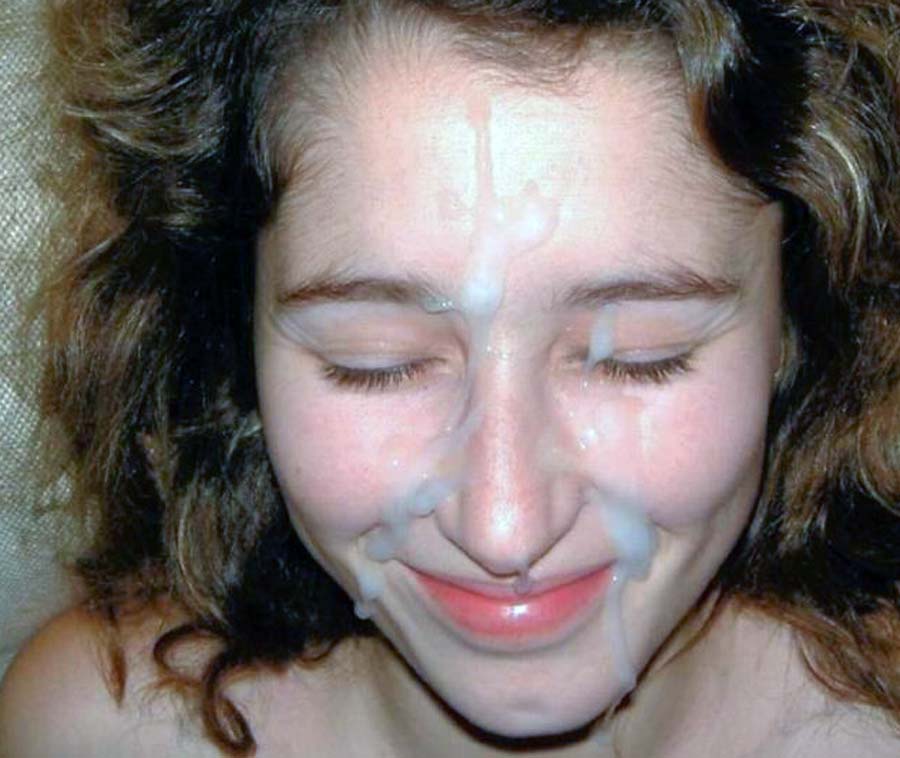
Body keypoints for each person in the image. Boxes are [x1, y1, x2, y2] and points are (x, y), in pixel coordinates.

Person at [0, 0, 898, 755]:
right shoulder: (92, 731)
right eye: (375, 364)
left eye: (639, 355)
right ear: (238, 333)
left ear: (796, 321)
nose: (505, 530)